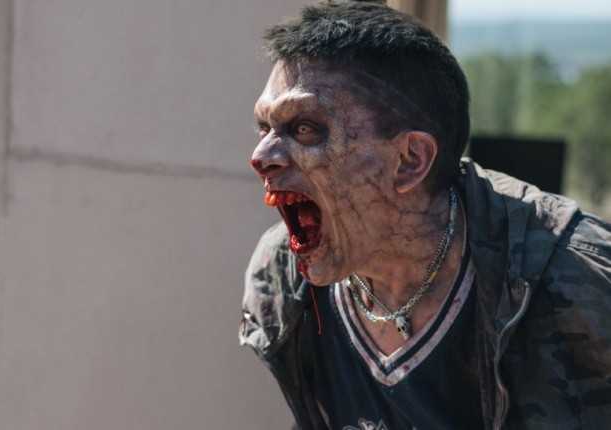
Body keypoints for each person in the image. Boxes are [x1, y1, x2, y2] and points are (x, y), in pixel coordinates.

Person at [239, 1, 611, 429]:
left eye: (305, 128)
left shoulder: (581, 282)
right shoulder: (281, 276)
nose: (260, 156)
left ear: (410, 160)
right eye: (264, 128)